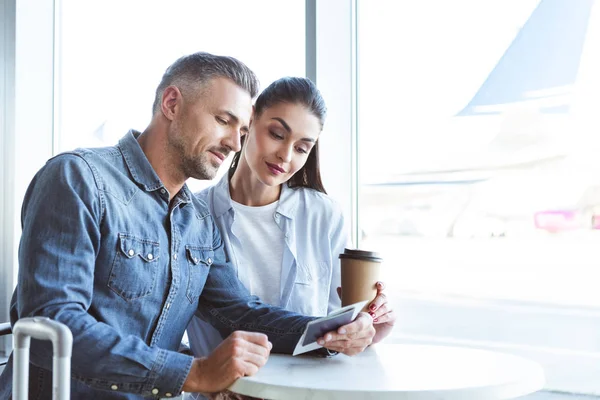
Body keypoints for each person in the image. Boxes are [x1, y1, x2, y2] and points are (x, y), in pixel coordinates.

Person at [0, 53, 376, 400]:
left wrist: (332, 333)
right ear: (172, 104)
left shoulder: (197, 221)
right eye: (223, 120)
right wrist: (193, 373)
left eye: (242, 130)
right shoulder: (78, 179)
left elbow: (241, 311)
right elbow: (52, 328)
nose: (233, 142)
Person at [186, 77, 396, 397]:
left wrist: (369, 325)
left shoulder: (323, 216)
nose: (285, 155)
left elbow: (337, 324)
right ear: (250, 120)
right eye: (277, 134)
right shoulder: (192, 216)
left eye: (301, 147)